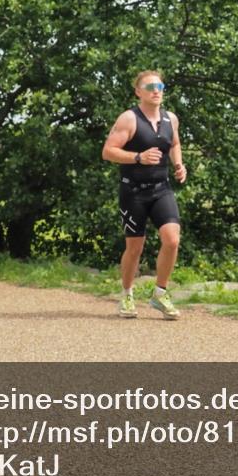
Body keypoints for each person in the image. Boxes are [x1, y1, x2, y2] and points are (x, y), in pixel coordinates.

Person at [101, 71, 187, 319]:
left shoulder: (171, 119)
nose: (156, 90)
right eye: (149, 86)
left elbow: (174, 144)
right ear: (138, 91)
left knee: (172, 240)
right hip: (133, 192)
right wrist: (138, 157)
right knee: (135, 247)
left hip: (162, 189)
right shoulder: (129, 119)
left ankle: (160, 294)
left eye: (159, 85)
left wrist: (179, 165)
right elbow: (108, 151)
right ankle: (127, 294)